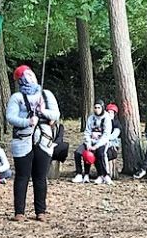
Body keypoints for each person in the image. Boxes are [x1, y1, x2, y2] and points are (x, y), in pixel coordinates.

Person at [6, 65, 60, 222]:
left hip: (43, 139)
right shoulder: (16, 98)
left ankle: (40, 211)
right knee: (22, 176)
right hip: (23, 139)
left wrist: (43, 112)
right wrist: (27, 121)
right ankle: (19, 212)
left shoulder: (46, 94)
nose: (30, 78)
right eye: (26, 75)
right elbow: (11, 117)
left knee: (40, 176)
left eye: (31, 74)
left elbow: (55, 114)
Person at [72, 99, 113, 185]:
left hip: (101, 143)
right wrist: (88, 144)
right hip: (90, 142)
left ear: (102, 108)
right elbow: (87, 132)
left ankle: (104, 175)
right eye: (95, 107)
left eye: (99, 107)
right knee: (78, 152)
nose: (97, 109)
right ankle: (80, 174)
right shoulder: (91, 118)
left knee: (100, 154)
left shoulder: (106, 118)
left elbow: (106, 135)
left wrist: (97, 146)